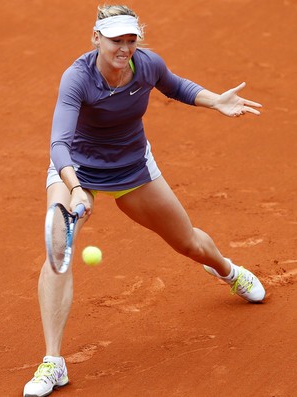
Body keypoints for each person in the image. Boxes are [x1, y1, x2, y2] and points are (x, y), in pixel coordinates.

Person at [23, 4, 265, 396]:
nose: (124, 47)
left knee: (186, 240)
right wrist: (77, 187)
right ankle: (54, 362)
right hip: (76, 170)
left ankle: (227, 270)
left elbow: (177, 86)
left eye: (130, 39)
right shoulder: (76, 79)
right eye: (116, 39)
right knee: (58, 248)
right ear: (96, 38)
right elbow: (59, 144)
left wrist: (214, 100)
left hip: (133, 167)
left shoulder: (146, 64)